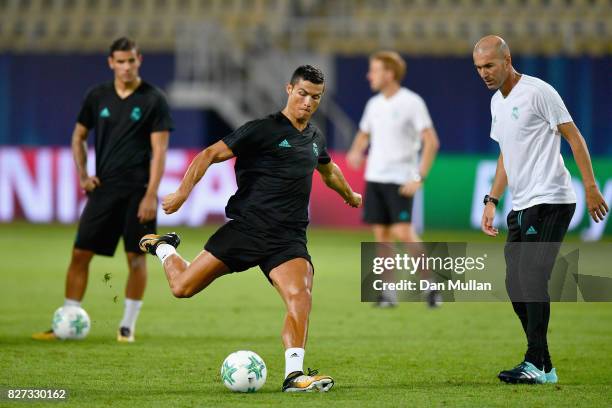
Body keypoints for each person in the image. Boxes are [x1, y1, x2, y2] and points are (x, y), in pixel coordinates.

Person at [139, 65, 362, 392]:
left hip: (287, 239)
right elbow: (208, 154)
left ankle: (294, 375)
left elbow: (328, 172)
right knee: (182, 288)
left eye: (315, 97)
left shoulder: (315, 138)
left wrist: (350, 194)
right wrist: (183, 192)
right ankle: (164, 247)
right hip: (248, 229)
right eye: (302, 94)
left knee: (300, 296)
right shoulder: (262, 130)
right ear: (289, 90)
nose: (308, 102)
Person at [473, 35, 608, 384]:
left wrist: (591, 187)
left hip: (552, 198)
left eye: (489, 65)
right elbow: (506, 153)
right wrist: (491, 200)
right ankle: (543, 364)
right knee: (514, 282)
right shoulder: (496, 104)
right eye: (478, 68)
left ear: (507, 60)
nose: (484, 73)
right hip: (521, 204)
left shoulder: (538, 92)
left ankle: (535, 361)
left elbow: (574, 136)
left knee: (532, 276)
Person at [32, 37, 174, 343]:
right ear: (111, 62)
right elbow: (78, 136)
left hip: (139, 191)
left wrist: (151, 194)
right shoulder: (97, 96)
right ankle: (67, 320)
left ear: (140, 60)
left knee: (136, 257)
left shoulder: (153, 99)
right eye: (120, 61)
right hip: (105, 188)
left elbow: (160, 151)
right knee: (80, 252)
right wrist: (84, 175)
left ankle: (127, 326)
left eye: (130, 61)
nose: (125, 67)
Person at [346, 51, 440, 307]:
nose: (369, 76)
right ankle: (388, 294)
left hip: (400, 180)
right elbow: (364, 133)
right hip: (375, 178)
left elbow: (431, 141)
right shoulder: (374, 104)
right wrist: (355, 150)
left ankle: (430, 287)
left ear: (389, 74)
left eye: (374, 70)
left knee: (404, 233)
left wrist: (419, 177)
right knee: (382, 238)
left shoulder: (411, 102)